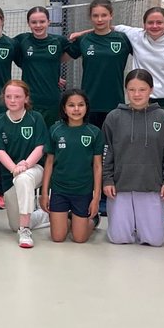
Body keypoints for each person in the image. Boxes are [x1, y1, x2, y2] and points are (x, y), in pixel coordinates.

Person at [101, 70, 164, 247]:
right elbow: (106, 150)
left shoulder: (163, 117)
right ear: (126, 90)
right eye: (132, 89)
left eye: (142, 89)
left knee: (155, 241)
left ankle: (145, 223)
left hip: (151, 184)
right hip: (121, 185)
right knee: (119, 239)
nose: (137, 94)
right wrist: (107, 179)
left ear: (151, 90)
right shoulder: (114, 117)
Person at [0, 79, 49, 248]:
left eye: (17, 96)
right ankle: (43, 216)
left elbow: (40, 146)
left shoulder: (35, 118)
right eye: (9, 96)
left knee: (24, 179)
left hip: (34, 169)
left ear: (26, 98)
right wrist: (14, 168)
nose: (13, 100)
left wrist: (25, 165)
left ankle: (25, 230)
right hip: (11, 174)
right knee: (13, 225)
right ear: (4, 98)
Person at [42, 89, 104, 244]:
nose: (76, 109)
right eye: (71, 105)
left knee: (79, 239)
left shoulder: (94, 132)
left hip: (83, 191)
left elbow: (97, 166)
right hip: (59, 190)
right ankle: (68, 220)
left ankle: (92, 221)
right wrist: (44, 193)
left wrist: (96, 197)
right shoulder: (55, 130)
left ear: (86, 107)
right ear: (64, 108)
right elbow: (49, 163)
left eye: (80, 105)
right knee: (58, 238)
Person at [66, 0, 132, 129]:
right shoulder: (84, 40)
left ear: (111, 15)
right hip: (90, 103)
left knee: (112, 146)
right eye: (95, 16)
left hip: (115, 103)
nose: (100, 19)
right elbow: (59, 57)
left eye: (104, 15)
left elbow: (149, 37)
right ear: (90, 18)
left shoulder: (122, 39)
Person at [11, 6, 71, 126]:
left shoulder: (59, 41)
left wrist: (52, 74)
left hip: (51, 100)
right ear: (28, 23)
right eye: (34, 22)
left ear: (49, 22)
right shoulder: (22, 40)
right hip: (29, 100)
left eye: (42, 21)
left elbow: (75, 48)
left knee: (50, 137)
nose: (38, 25)